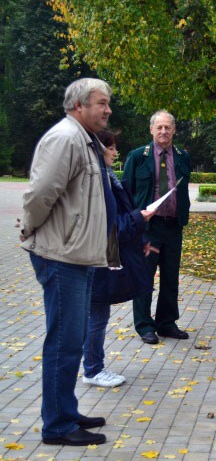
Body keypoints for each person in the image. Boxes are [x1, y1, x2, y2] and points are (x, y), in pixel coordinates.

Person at [20, 78, 117, 446]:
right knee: (64, 342)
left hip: (79, 255)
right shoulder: (65, 138)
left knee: (72, 341)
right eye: (101, 103)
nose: (108, 110)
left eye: (108, 103)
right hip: (62, 256)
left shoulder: (85, 139)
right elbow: (41, 192)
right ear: (78, 105)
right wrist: (29, 227)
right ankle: (57, 425)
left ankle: (65, 410)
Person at [82, 130, 155, 387]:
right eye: (111, 148)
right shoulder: (97, 182)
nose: (115, 152)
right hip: (97, 257)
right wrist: (140, 218)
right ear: (100, 149)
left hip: (102, 256)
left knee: (97, 313)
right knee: (97, 314)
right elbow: (109, 226)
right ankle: (92, 369)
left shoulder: (109, 177)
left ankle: (93, 366)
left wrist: (141, 237)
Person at [122, 110, 192, 344]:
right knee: (144, 276)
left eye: (168, 127)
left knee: (171, 277)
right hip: (147, 229)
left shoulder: (182, 157)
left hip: (173, 226)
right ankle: (144, 325)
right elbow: (126, 192)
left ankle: (167, 323)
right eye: (159, 127)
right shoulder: (137, 157)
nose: (163, 131)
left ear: (174, 130)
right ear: (151, 129)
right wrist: (132, 223)